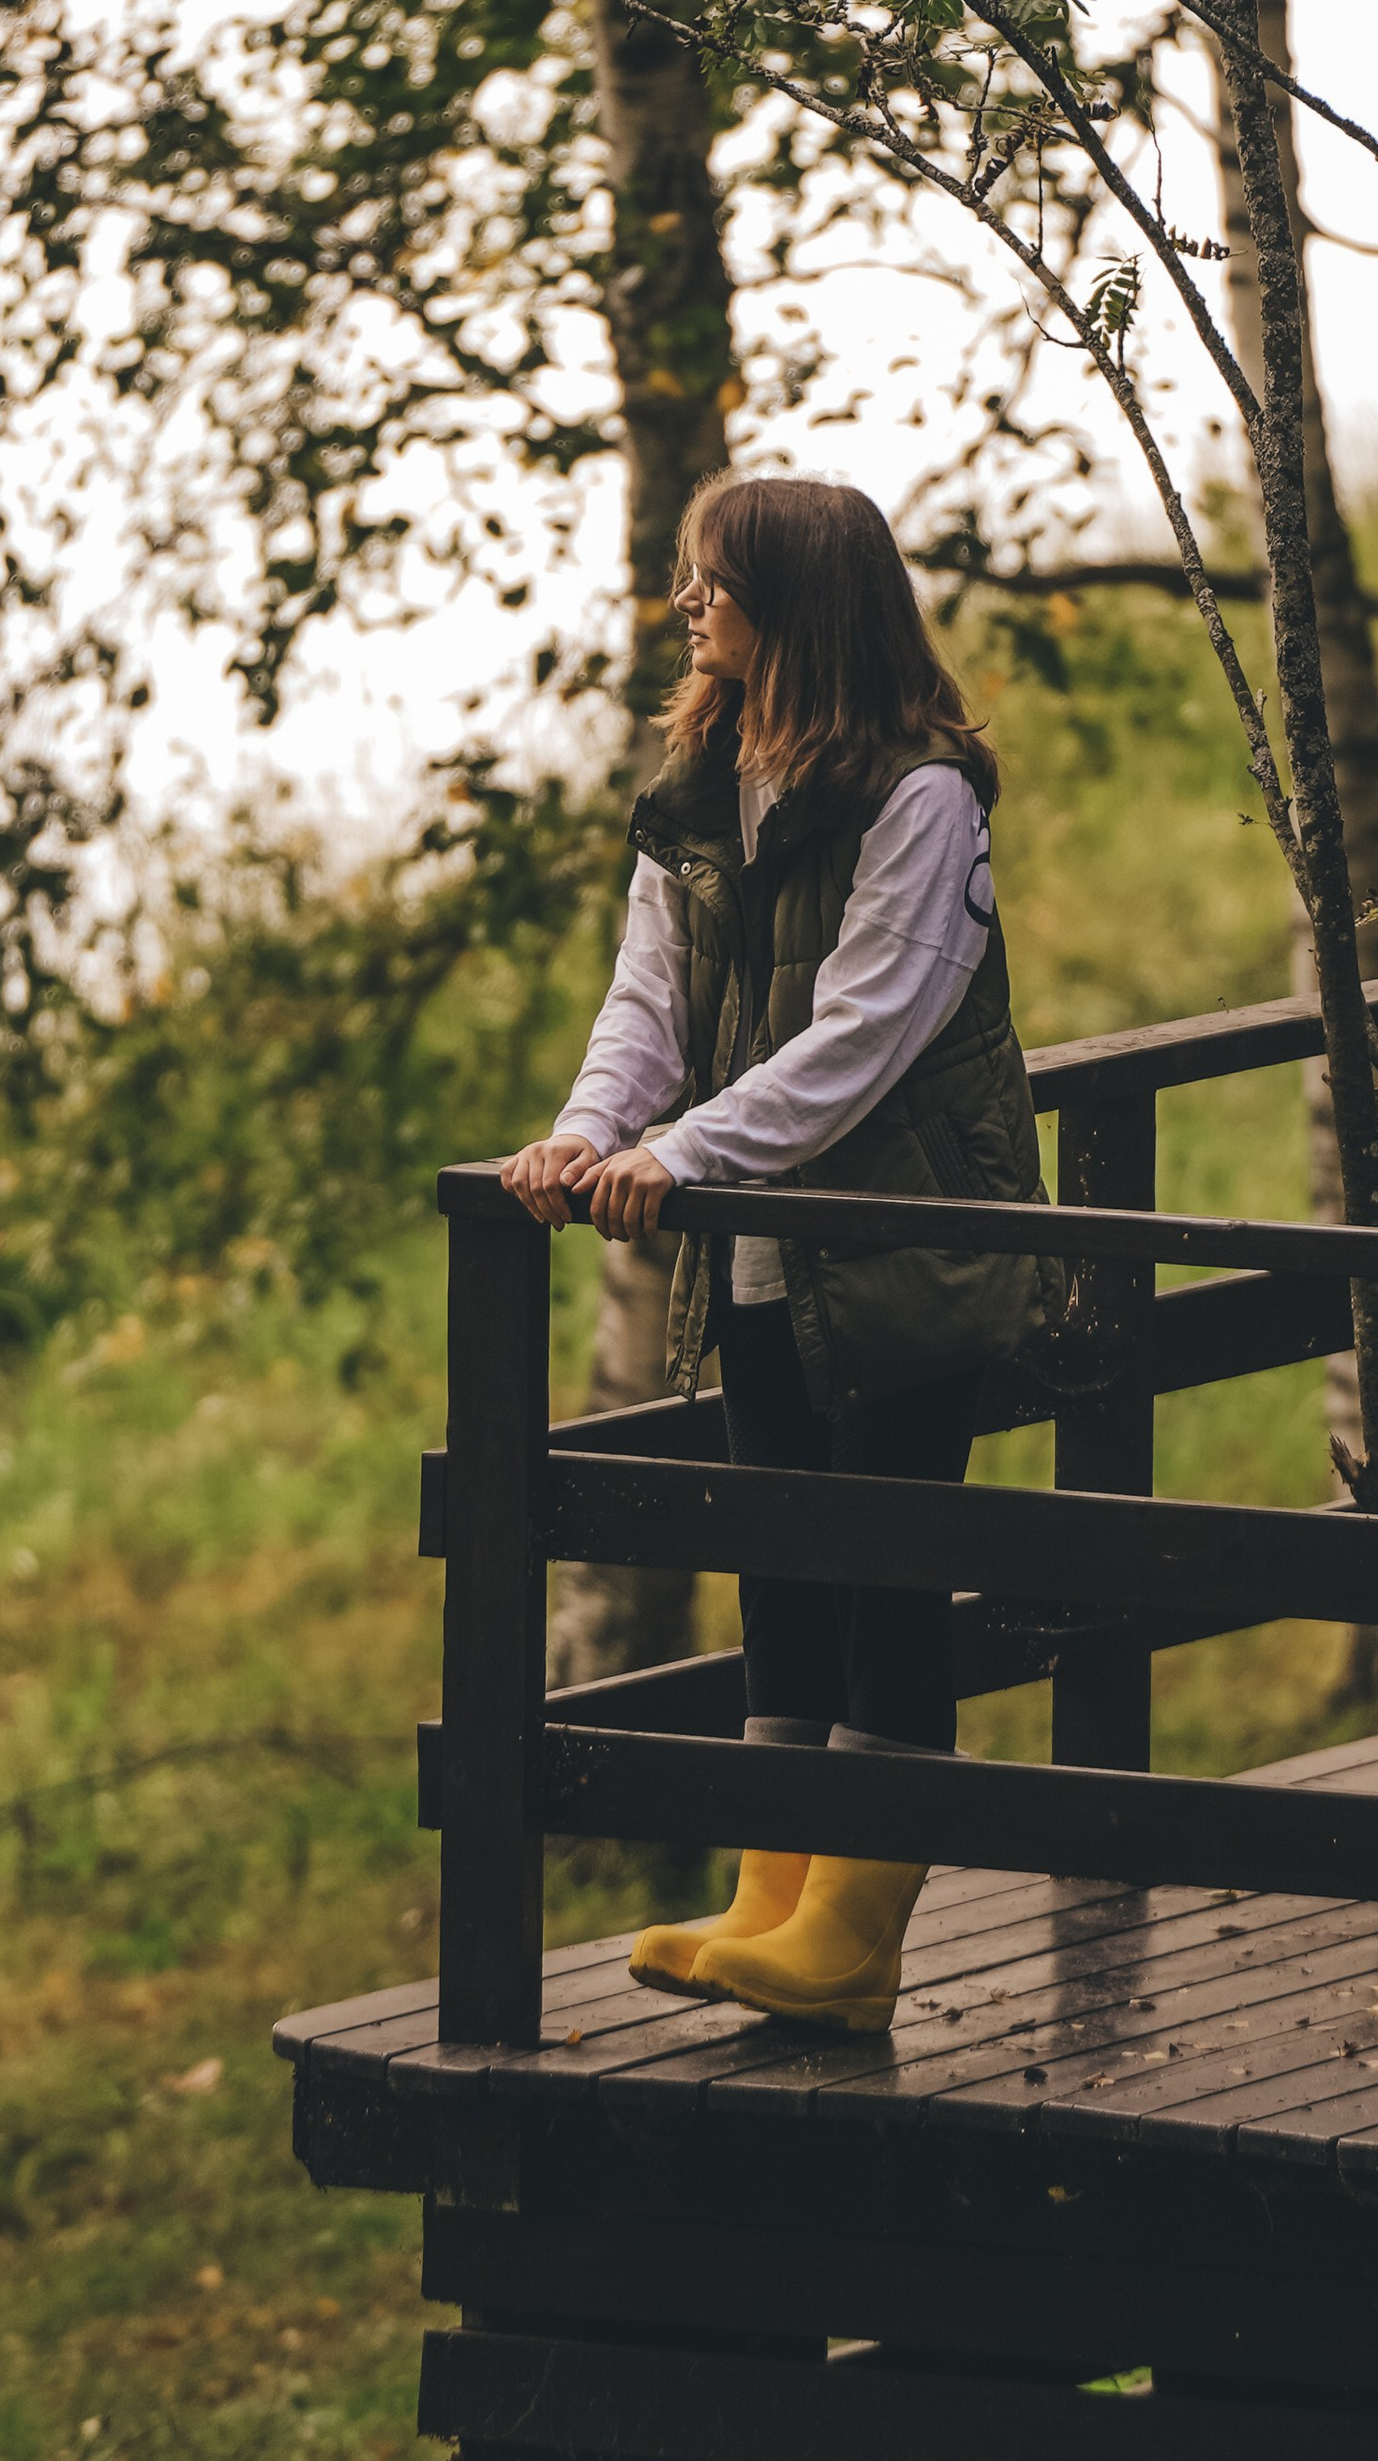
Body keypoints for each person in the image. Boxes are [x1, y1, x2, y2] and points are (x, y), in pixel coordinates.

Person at [501, 473, 1058, 2034]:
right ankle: (777, 1902)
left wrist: (677, 1154)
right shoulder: (705, 777)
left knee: (886, 1580)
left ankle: (855, 1944)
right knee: (785, 1570)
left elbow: (863, 1037)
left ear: (798, 601)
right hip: (757, 1249)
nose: (690, 604)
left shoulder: (921, 795)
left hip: (899, 1243)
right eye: (689, 580)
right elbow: (649, 1000)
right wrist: (587, 1132)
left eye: (714, 581)